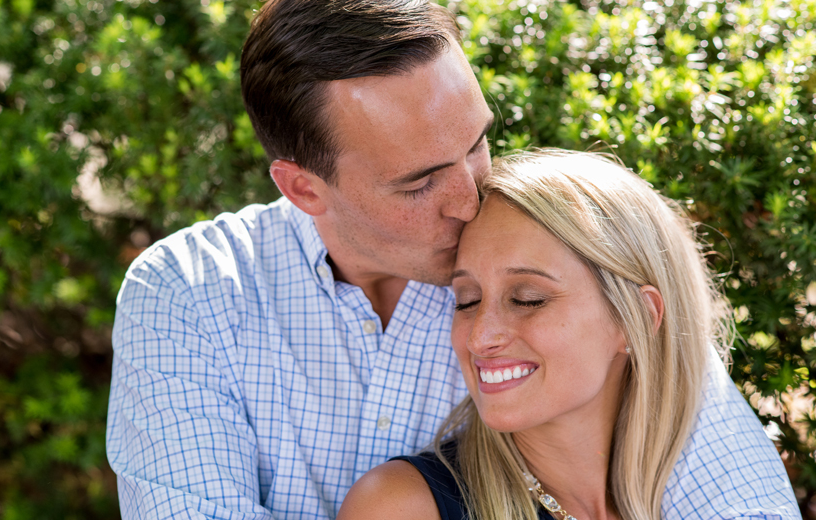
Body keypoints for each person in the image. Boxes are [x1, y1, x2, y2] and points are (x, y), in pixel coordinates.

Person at [106, 0, 798, 520]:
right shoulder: (189, 292)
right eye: (420, 181)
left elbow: (734, 491)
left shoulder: (556, 245)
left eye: (475, 144)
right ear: (304, 188)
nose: (471, 197)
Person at [338, 150, 800, 520]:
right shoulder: (401, 506)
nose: (480, 337)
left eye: (527, 298)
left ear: (634, 319)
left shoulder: (696, 498)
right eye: (466, 300)